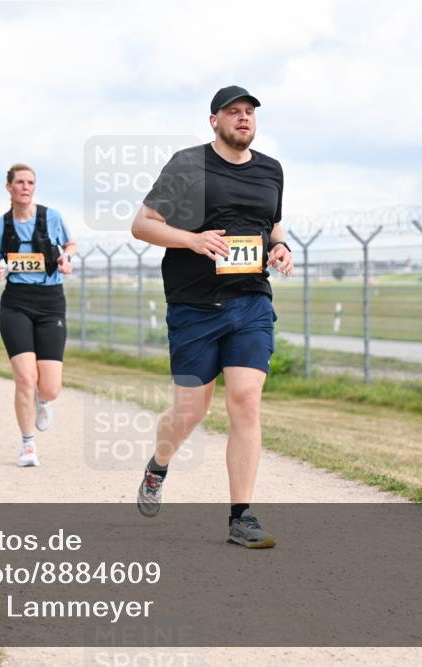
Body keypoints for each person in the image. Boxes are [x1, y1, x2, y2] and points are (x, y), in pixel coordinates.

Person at [130, 86, 294, 549]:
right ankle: (159, 464)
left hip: (251, 302)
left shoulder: (271, 169)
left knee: (245, 400)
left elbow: (273, 223)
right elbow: (143, 224)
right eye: (233, 112)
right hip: (195, 307)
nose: (243, 119)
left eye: (249, 113)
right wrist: (193, 240)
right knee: (190, 410)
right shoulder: (188, 164)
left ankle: (241, 517)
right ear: (214, 121)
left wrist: (281, 246)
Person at [0, 163, 76, 467]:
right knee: (25, 377)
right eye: (20, 182)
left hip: (50, 302)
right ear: (9, 187)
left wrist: (67, 258)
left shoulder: (53, 217)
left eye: (30, 182)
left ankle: (44, 400)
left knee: (49, 386)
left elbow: (70, 245)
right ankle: (27, 445)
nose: (26, 187)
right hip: (16, 303)